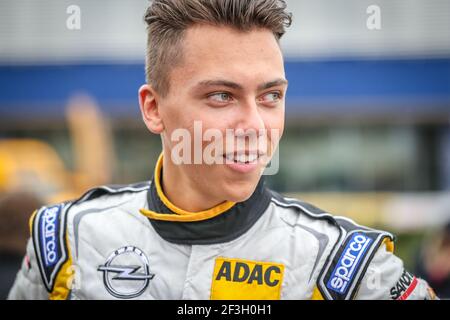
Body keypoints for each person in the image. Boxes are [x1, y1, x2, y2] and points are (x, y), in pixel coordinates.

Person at [8, 0, 437, 300]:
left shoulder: (344, 264)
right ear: (153, 109)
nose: (254, 125)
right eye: (221, 96)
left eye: (271, 96)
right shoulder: (65, 242)